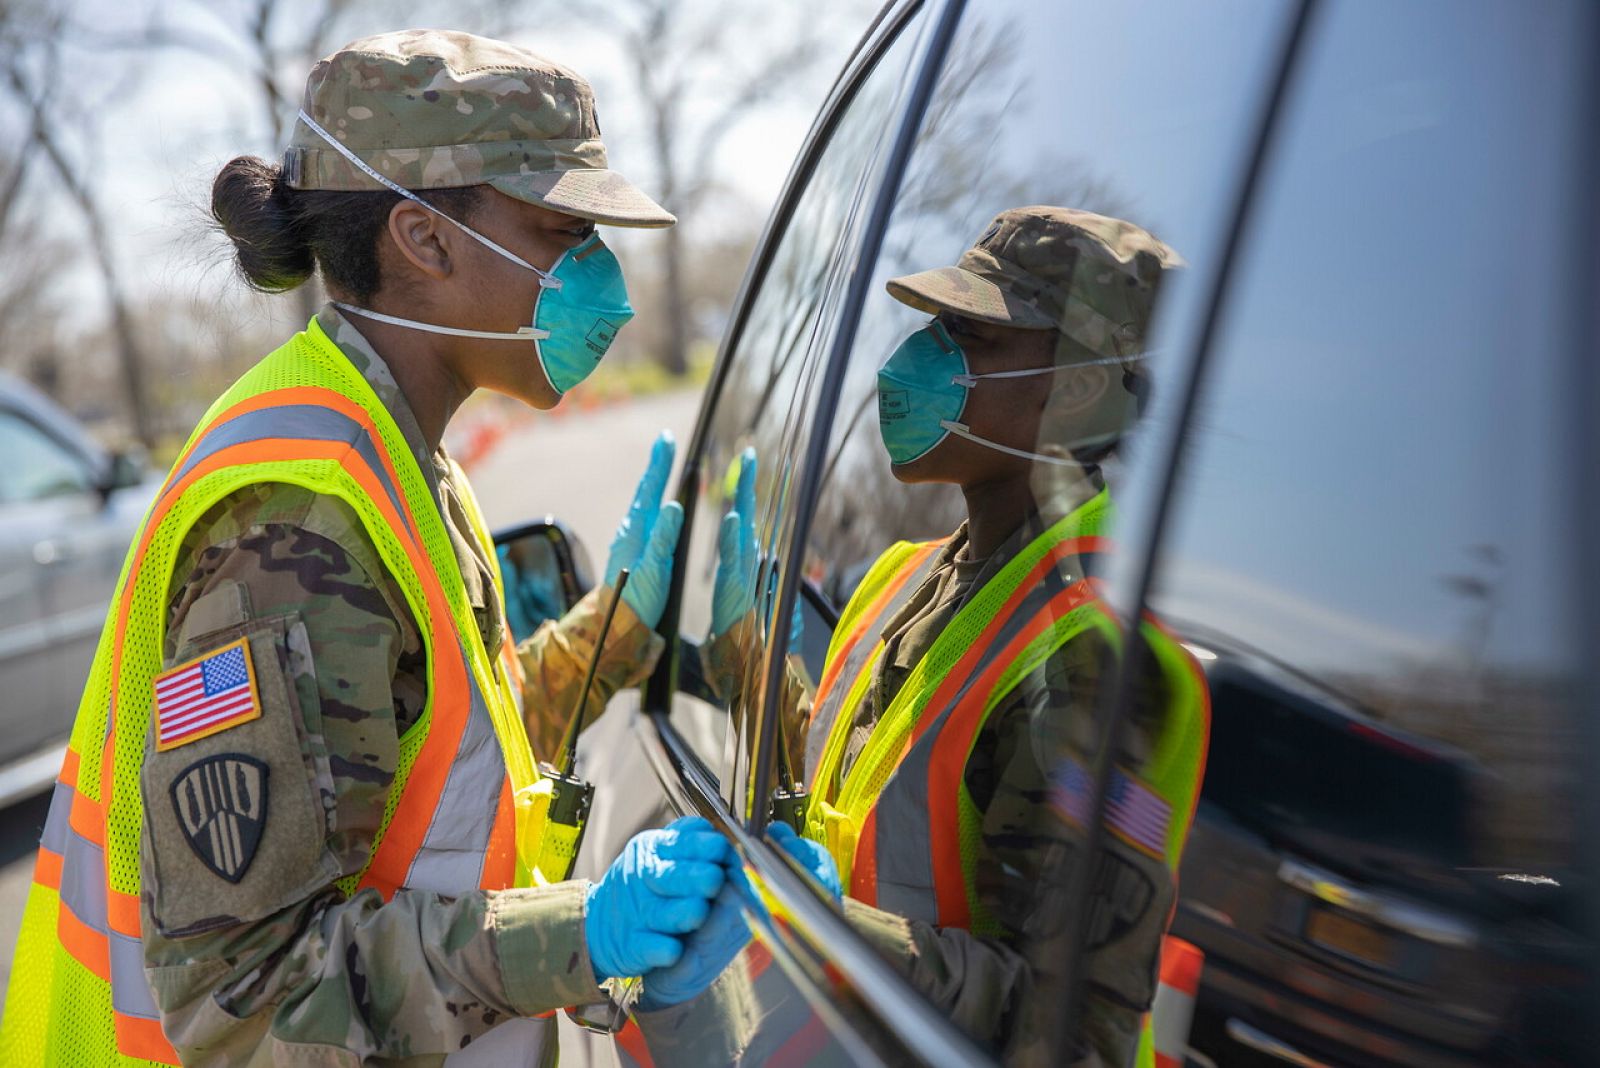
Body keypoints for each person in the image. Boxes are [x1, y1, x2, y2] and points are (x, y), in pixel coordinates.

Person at [0, 30, 736, 1067]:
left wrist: (597, 644)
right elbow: (244, 995)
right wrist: (578, 936)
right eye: (562, 230)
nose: (601, 277)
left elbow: (414, 768)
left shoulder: (393, 453)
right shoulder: (302, 520)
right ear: (424, 240)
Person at [670, 206, 1210, 1066]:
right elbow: (849, 811)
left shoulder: (1094, 661)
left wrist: (822, 925)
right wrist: (743, 661)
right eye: (932, 326)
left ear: (1070, 388)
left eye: (969, 335)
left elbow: (1070, 1029)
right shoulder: (905, 576)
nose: (913, 358)